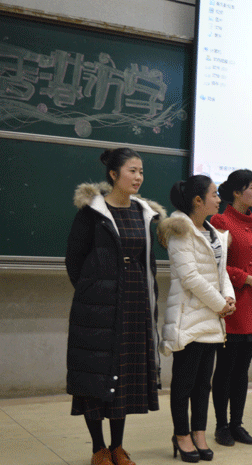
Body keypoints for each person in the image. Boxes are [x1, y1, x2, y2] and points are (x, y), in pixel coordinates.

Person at [65, 148, 165, 465]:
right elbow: (74, 260)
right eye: (132, 171)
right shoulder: (92, 213)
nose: (138, 177)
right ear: (113, 174)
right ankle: (99, 448)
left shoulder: (142, 213)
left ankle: (118, 447)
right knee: (95, 377)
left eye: (141, 171)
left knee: (124, 377)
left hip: (135, 305)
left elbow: (148, 263)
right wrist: (93, 290)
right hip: (98, 308)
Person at [158, 176, 236, 463]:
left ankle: (199, 433)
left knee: (204, 384)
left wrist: (229, 298)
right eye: (214, 194)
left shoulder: (213, 232)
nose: (219, 199)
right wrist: (220, 304)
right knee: (184, 383)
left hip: (212, 317)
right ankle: (181, 435)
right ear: (198, 200)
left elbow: (221, 271)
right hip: (189, 317)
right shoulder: (179, 230)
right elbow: (190, 277)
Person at [209, 169, 252, 447]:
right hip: (234, 303)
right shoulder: (220, 221)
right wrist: (248, 279)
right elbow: (217, 264)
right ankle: (221, 426)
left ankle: (237, 424)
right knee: (226, 368)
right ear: (237, 192)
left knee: (243, 368)